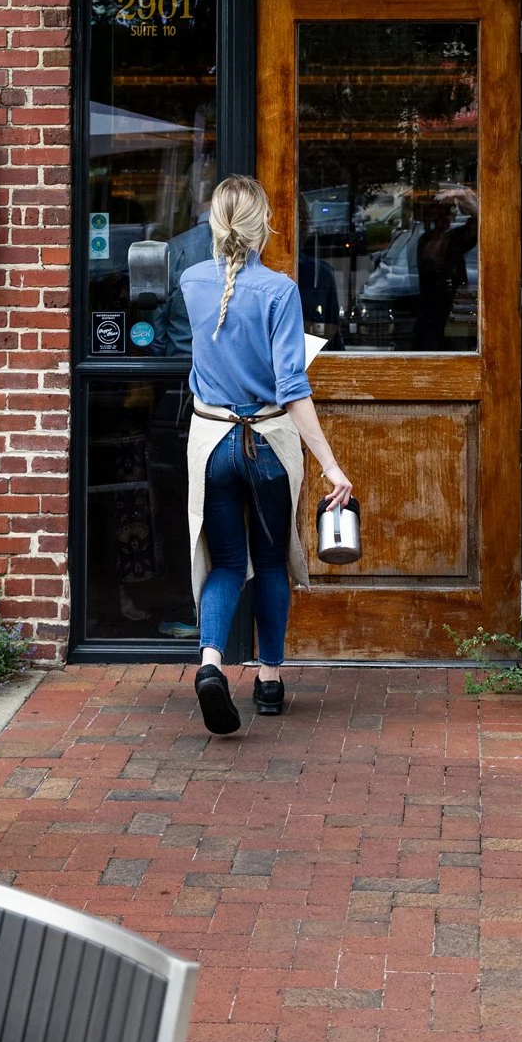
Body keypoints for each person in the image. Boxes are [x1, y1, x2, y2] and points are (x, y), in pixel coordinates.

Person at [181, 175, 352, 735]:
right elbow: (291, 390)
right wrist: (331, 466)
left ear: (214, 224)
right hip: (269, 446)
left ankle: (210, 666)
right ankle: (271, 681)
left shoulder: (190, 281)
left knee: (229, 562)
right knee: (272, 560)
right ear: (263, 227)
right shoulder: (278, 290)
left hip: (213, 444)